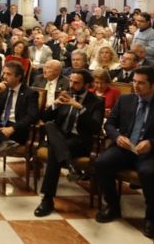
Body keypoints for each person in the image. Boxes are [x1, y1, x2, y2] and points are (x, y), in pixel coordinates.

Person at [94, 66, 154, 238]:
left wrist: (152, 143)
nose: (136, 86)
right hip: (125, 148)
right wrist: (117, 136)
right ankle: (112, 206)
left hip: (151, 152)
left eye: (141, 83)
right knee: (101, 163)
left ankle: (151, 217)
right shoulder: (125, 100)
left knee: (149, 172)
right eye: (134, 81)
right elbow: (109, 124)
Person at [34, 69, 104, 216]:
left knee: (54, 152)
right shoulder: (65, 95)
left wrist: (81, 108)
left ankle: (47, 200)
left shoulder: (96, 102)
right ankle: (70, 165)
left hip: (79, 141)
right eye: (71, 81)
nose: (72, 85)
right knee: (49, 126)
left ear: (87, 85)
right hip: (61, 137)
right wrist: (55, 105)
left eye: (76, 82)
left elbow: (96, 128)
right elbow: (45, 118)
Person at [0, 60, 39, 198]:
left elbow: (32, 117)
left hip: (17, 130)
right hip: (1, 126)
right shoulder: (3, 90)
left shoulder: (30, 93)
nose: (4, 77)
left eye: (8, 74)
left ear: (18, 77)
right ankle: (3, 140)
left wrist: (13, 128)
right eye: (4, 73)